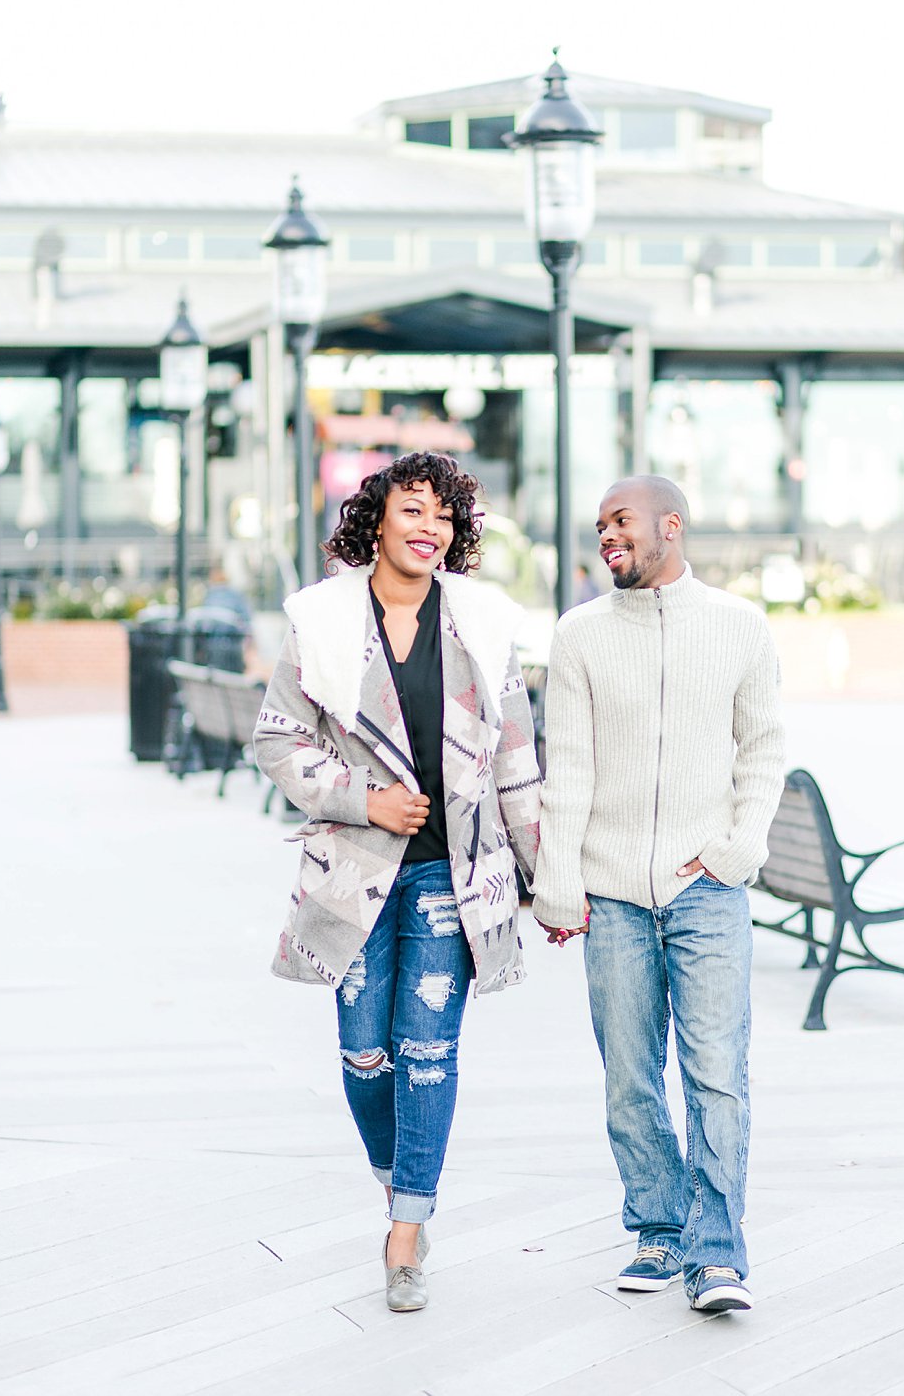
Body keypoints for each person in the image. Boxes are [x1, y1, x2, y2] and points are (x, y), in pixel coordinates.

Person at [253, 451, 541, 1314]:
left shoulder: (484, 629)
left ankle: (407, 1231)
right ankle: (397, 1183)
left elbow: (518, 762)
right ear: (375, 518)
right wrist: (361, 798)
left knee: (427, 1053)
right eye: (413, 509)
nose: (429, 528)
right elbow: (276, 739)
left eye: (444, 516)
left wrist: (546, 879)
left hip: (454, 880)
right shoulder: (324, 623)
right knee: (365, 1055)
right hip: (353, 880)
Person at [531, 475, 783, 1316]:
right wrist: (559, 880)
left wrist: (737, 848)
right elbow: (565, 764)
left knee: (717, 1076)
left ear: (670, 527)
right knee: (630, 1077)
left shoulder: (741, 626)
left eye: (622, 521)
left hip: (708, 888)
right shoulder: (581, 635)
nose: (608, 535)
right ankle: (658, 1228)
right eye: (600, 524)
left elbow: (764, 747)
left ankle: (717, 1254)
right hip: (613, 897)